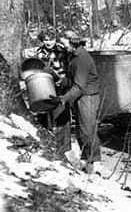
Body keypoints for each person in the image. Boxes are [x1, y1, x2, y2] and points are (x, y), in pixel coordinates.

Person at [57, 29, 102, 175]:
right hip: (80, 96)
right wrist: (60, 81)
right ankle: (85, 158)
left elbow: (79, 86)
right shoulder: (74, 55)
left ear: (72, 42)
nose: (63, 46)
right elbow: (73, 80)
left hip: (87, 97)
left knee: (88, 130)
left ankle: (95, 162)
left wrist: (64, 98)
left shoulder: (82, 58)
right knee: (81, 130)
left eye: (64, 43)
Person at [35, 27, 71, 159]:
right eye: (46, 40)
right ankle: (47, 145)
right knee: (43, 115)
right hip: (43, 87)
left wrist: (63, 80)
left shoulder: (62, 51)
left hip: (60, 86)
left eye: (51, 39)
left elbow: (68, 69)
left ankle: (64, 148)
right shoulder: (39, 53)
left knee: (62, 116)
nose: (49, 42)